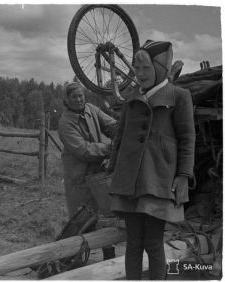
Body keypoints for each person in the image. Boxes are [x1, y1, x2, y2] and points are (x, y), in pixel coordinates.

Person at [108, 40, 195, 280]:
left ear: (161, 66)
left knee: (154, 243)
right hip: (130, 182)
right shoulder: (132, 98)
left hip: (159, 180)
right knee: (133, 243)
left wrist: (184, 176)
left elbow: (187, 138)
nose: (140, 73)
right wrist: (114, 170)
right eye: (136, 68)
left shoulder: (179, 96)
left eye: (145, 67)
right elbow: (120, 137)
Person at [58, 82, 117, 222]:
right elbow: (83, 150)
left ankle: (105, 244)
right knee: (82, 220)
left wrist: (121, 131)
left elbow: (110, 125)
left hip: (97, 175)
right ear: (66, 100)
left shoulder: (91, 110)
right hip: (79, 180)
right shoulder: (65, 123)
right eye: (74, 97)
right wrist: (109, 148)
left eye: (80, 95)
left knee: (105, 218)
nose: (78, 99)